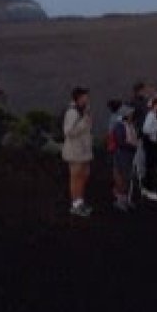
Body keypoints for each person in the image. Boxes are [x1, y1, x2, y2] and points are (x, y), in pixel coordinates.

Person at [62, 87, 94, 217]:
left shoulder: (84, 111)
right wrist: (84, 123)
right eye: (85, 96)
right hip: (75, 151)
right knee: (76, 177)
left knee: (84, 175)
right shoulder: (72, 113)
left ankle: (80, 201)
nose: (87, 99)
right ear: (79, 98)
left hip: (84, 150)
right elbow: (68, 131)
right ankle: (75, 204)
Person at [108, 101, 138, 212]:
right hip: (122, 154)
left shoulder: (129, 125)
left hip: (128, 154)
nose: (132, 115)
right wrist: (133, 146)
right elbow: (120, 141)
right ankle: (121, 199)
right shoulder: (120, 126)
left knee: (127, 177)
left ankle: (125, 199)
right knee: (121, 176)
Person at [141, 94, 157, 202]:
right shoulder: (151, 115)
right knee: (151, 167)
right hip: (152, 144)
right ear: (156, 105)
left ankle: (147, 188)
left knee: (151, 167)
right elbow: (146, 129)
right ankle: (149, 189)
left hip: (153, 143)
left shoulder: (154, 115)